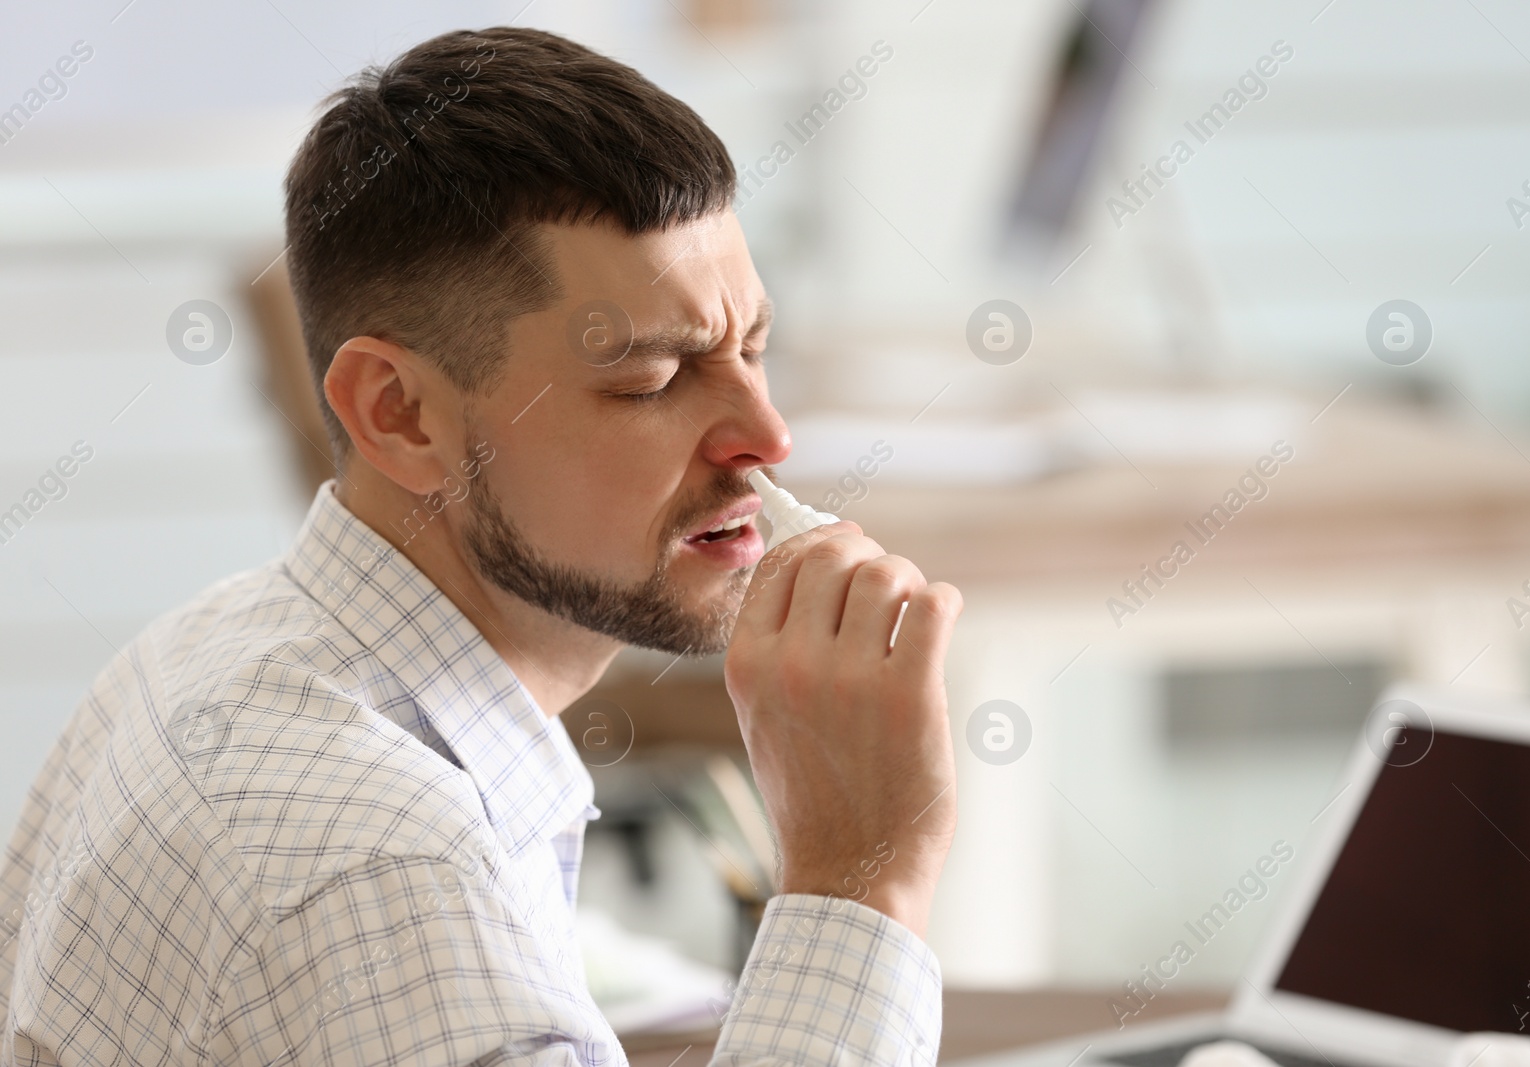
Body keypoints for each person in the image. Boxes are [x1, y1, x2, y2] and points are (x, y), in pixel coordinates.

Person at [0, 26, 963, 1067]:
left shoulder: (197, 649)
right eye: (649, 378)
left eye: (751, 348)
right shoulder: (378, 876)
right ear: (402, 413)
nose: (765, 437)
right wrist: (859, 873)